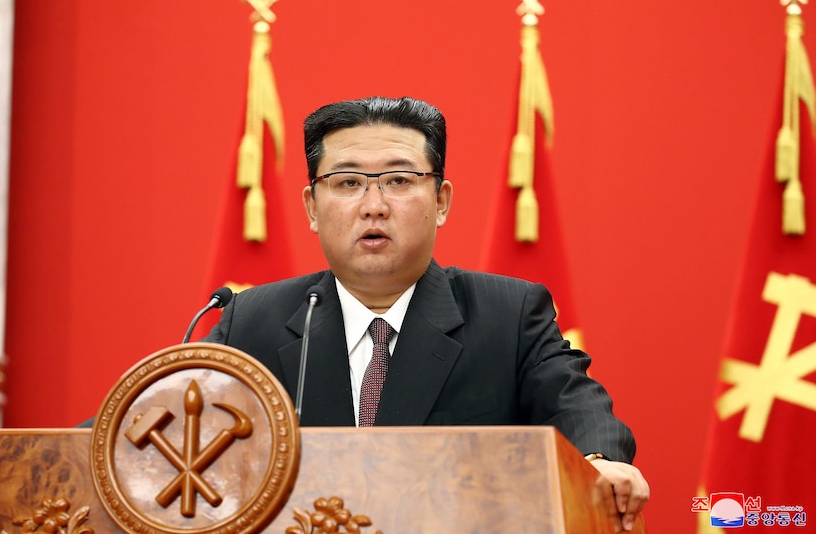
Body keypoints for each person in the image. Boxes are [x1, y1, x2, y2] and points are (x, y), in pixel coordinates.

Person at [204, 95, 650, 531]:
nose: (373, 205)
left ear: (441, 202)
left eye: (398, 181)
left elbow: (576, 406)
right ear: (312, 208)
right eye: (347, 183)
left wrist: (597, 464)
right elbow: (185, 435)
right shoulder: (251, 321)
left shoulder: (509, 315)